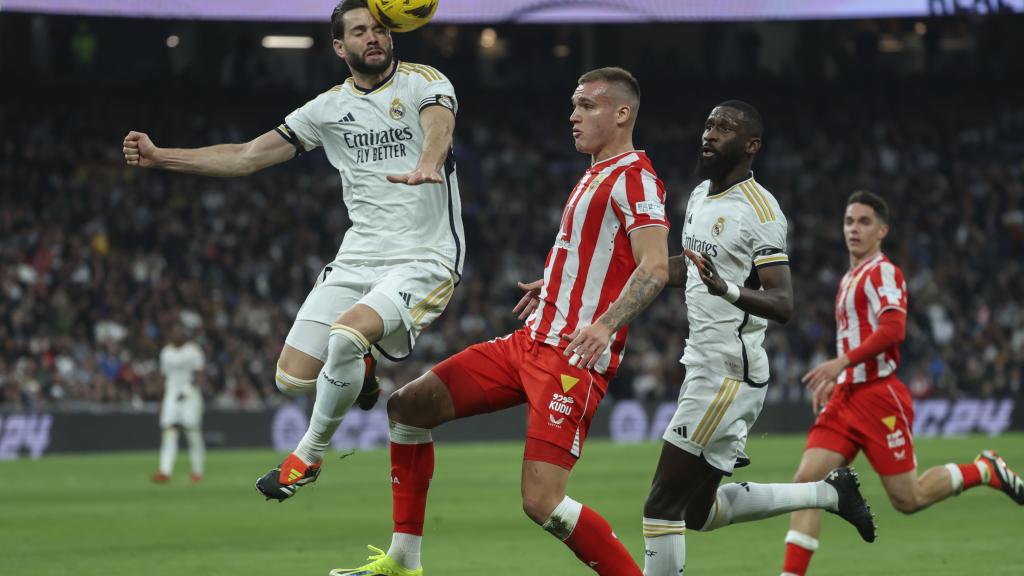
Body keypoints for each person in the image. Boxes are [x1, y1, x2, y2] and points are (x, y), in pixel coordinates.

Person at [122, 0, 464, 500]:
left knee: (347, 335)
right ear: (338, 46)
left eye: (379, 29)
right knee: (291, 379)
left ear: (392, 35)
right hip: (357, 257)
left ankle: (308, 455)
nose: (372, 37)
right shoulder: (325, 110)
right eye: (359, 31)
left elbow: (439, 124)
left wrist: (429, 162)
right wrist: (160, 157)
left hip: (424, 256)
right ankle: (363, 371)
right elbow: (244, 157)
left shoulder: (424, 81)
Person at [331, 67, 668, 576]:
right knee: (407, 408)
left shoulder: (635, 177)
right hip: (527, 344)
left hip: (571, 360)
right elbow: (596, 253)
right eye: (573, 105)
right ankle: (403, 561)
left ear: (622, 114)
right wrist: (553, 282)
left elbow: (655, 266)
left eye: (587, 106)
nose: (573, 116)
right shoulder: (594, 173)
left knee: (542, 501)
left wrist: (604, 324)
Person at [641, 102, 877, 576]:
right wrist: (619, 277)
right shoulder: (701, 196)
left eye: (724, 128)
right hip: (704, 364)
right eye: (707, 124)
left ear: (751, 146)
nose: (710, 134)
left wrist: (725, 288)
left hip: (728, 372)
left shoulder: (761, 212)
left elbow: (783, 302)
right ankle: (828, 493)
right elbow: (689, 268)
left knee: (661, 505)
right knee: (695, 512)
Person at [779, 190, 1024, 576]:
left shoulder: (883, 272)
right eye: (848, 221)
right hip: (846, 397)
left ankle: (984, 470)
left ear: (882, 231)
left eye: (864, 222)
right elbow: (856, 336)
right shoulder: (849, 278)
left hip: (879, 398)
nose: (854, 229)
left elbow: (894, 329)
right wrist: (839, 376)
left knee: (908, 499)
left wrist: (841, 362)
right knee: (807, 483)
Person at [152, 323, 206, 483]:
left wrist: (187, 390)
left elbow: (199, 375)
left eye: (180, 332)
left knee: (192, 432)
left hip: (190, 395)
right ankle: (165, 471)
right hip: (171, 395)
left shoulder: (193, 351)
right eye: (174, 332)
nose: (177, 335)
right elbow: (163, 377)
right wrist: (160, 400)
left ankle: (197, 472)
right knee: (169, 432)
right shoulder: (166, 353)